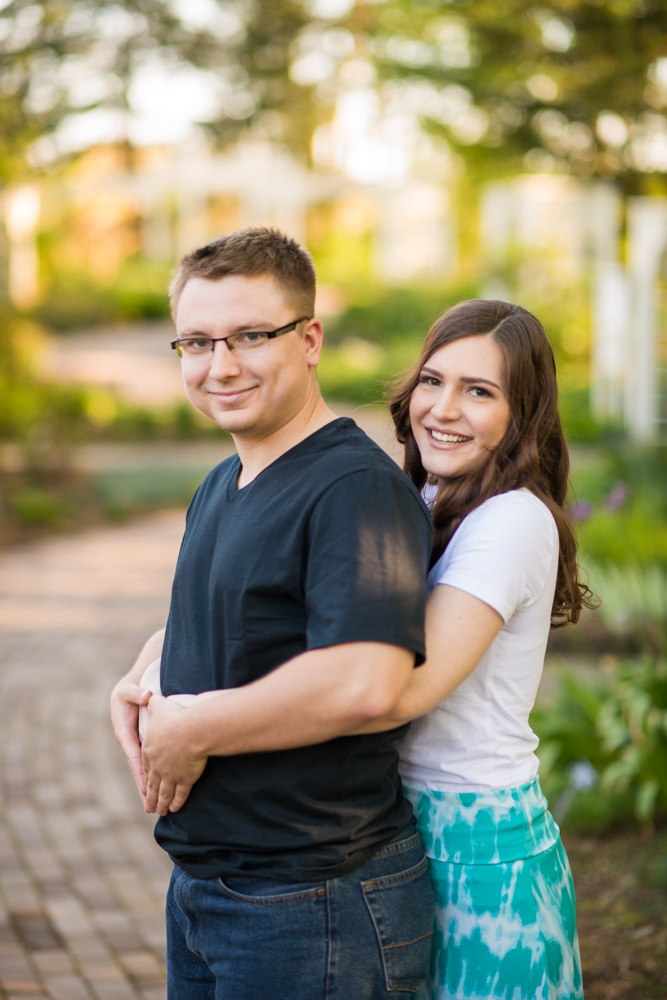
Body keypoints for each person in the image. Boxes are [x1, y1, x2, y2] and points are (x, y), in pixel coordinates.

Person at [110, 227, 435, 1000]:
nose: (220, 365)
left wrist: (193, 728)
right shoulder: (224, 481)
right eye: (196, 342)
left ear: (310, 338)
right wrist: (146, 670)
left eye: (251, 335)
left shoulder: (351, 487)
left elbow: (365, 680)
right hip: (210, 889)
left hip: (315, 901)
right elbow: (250, 617)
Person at [351, 300, 591, 1000]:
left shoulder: (510, 518)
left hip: (482, 849)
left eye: (478, 391)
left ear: (522, 415)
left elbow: (403, 690)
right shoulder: (425, 493)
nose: (443, 408)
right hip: (402, 827)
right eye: (432, 380)